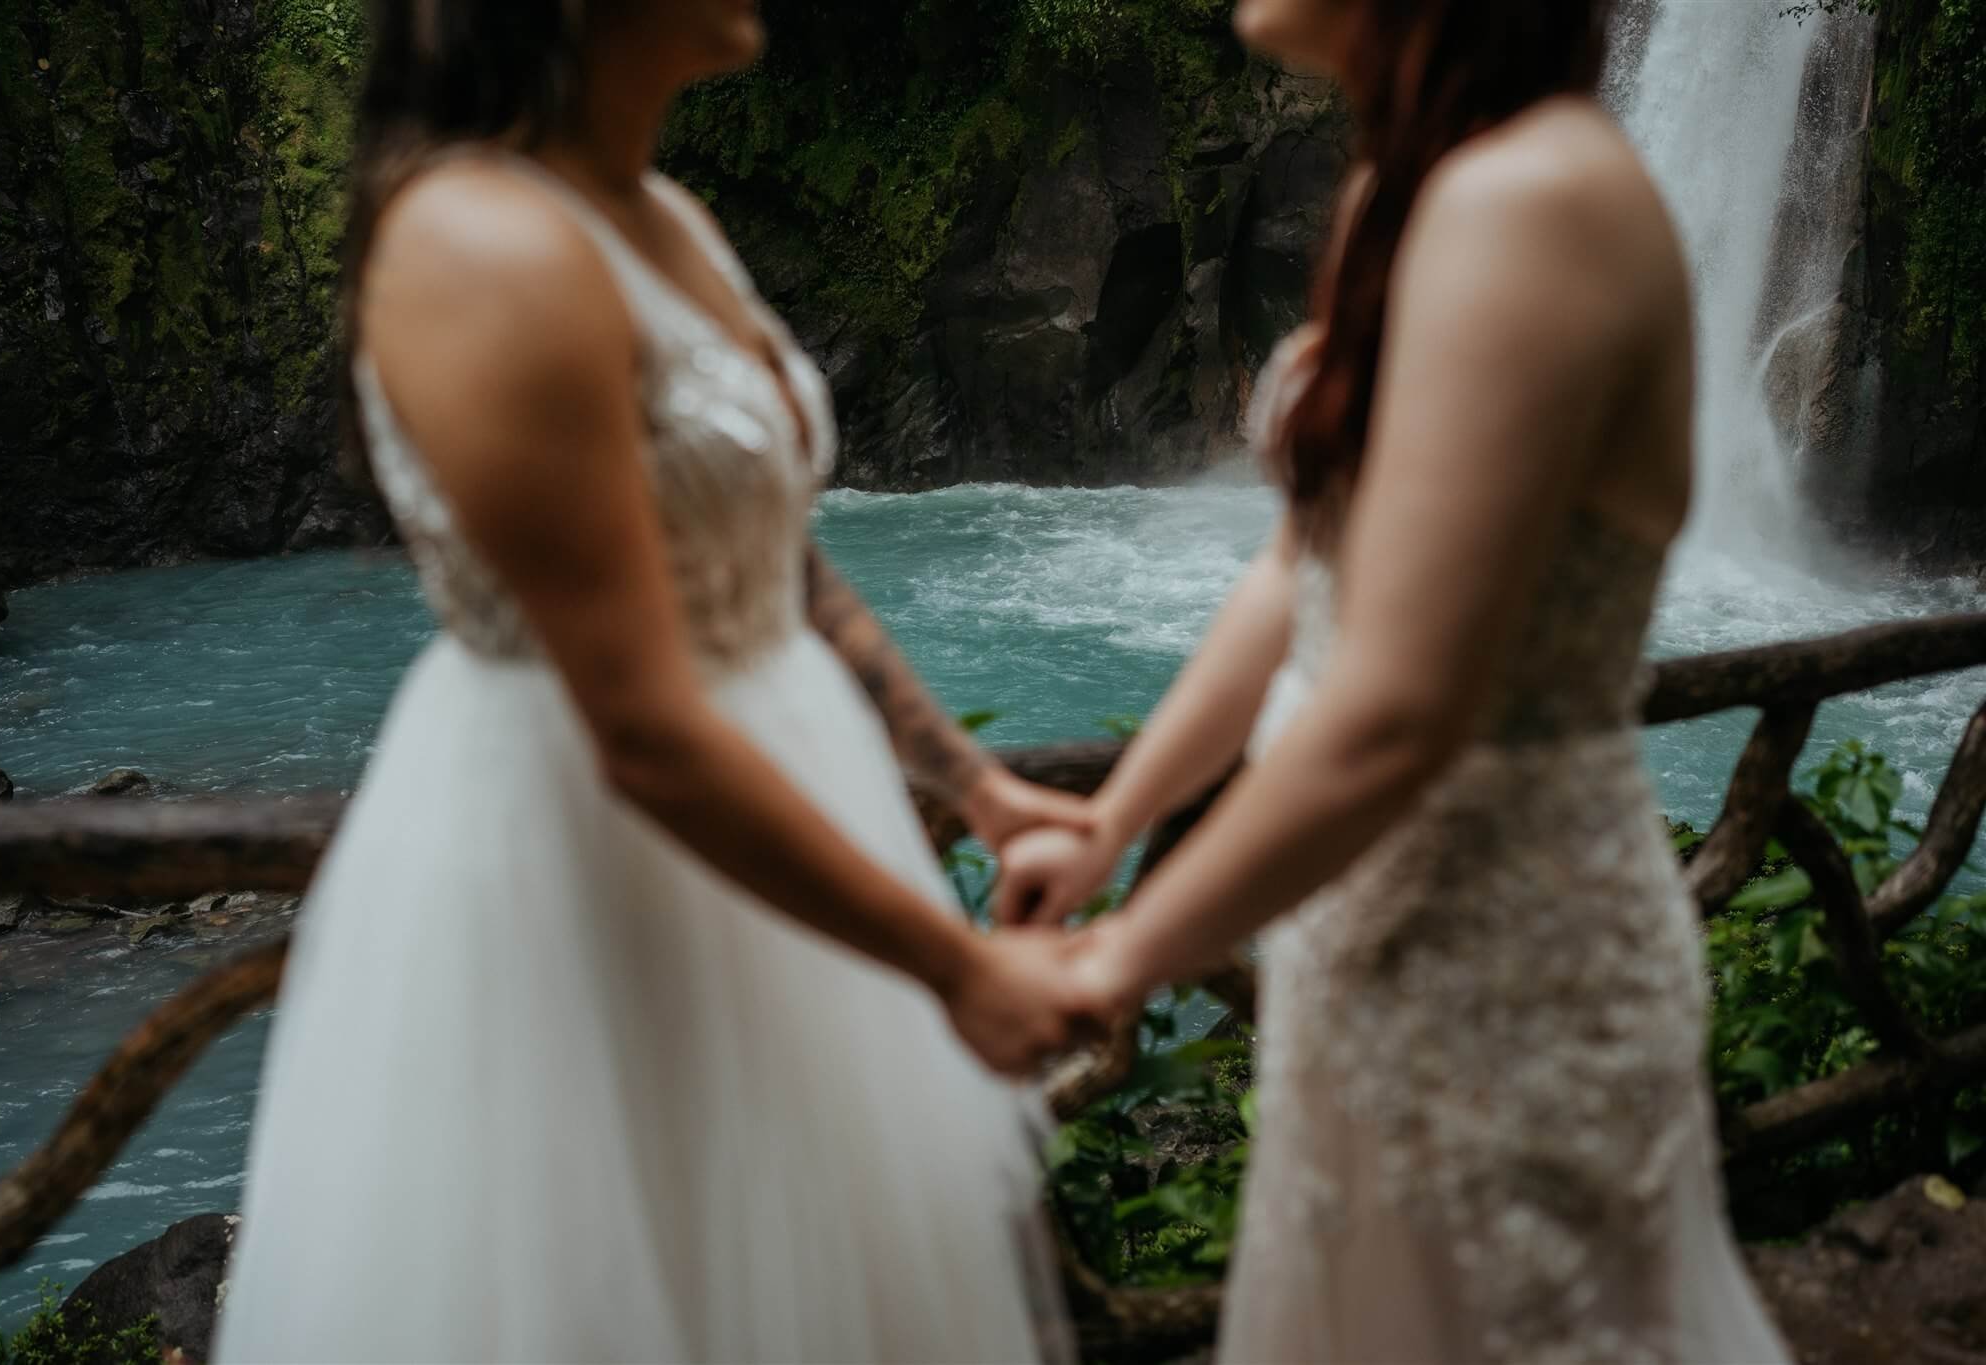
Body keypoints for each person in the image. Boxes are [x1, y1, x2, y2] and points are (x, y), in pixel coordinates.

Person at [215, 2, 1089, 1359]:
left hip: (794, 815)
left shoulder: (664, 214)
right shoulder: (478, 245)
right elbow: (635, 726)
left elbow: (770, 552)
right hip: (588, 850)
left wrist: (971, 785)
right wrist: (953, 966)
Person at [998, 0, 1797, 1358]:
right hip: (1363, 938)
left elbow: (1403, 704)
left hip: (1507, 963)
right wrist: (1112, 819)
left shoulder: (1534, 198)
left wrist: (1126, 952)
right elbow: (1298, 578)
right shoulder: (1408, 193)